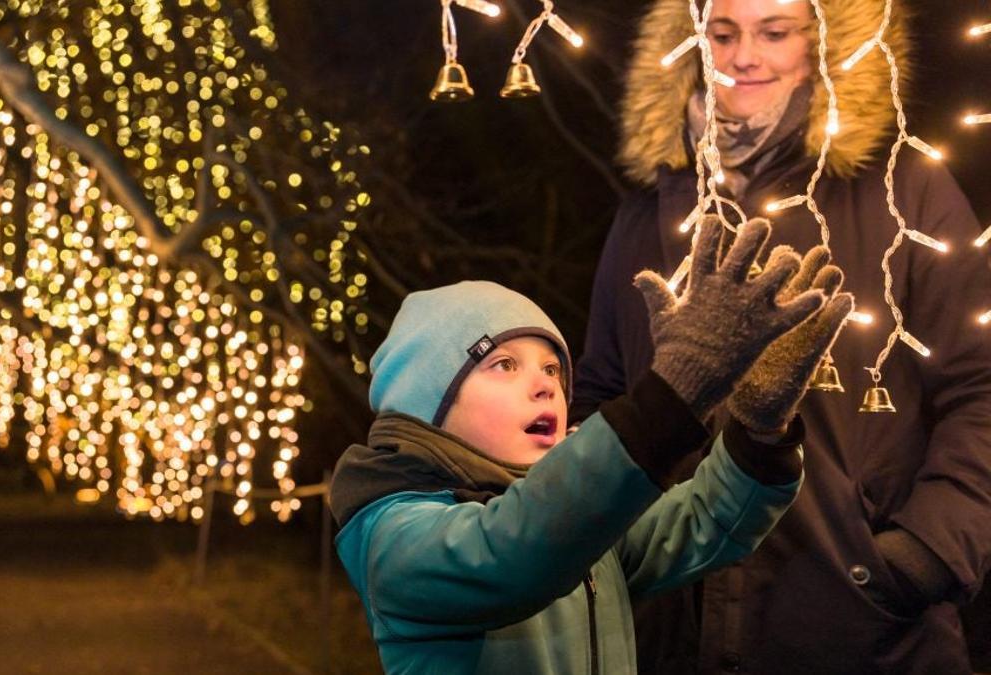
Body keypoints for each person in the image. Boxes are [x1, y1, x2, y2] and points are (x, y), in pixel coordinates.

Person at [572, 0, 991, 672]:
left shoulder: (905, 188)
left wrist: (924, 553)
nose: (744, 57)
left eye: (775, 32)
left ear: (823, 43)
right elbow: (599, 390)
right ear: (690, 43)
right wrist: (603, 542)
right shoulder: (650, 209)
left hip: (866, 633)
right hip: (668, 630)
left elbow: (981, 387)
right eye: (723, 33)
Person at [329, 216, 853, 674]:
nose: (545, 386)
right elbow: (512, 551)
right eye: (503, 365)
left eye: (553, 369)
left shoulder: (580, 521)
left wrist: (760, 431)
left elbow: (701, 521)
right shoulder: (395, 532)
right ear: (431, 404)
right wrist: (672, 395)